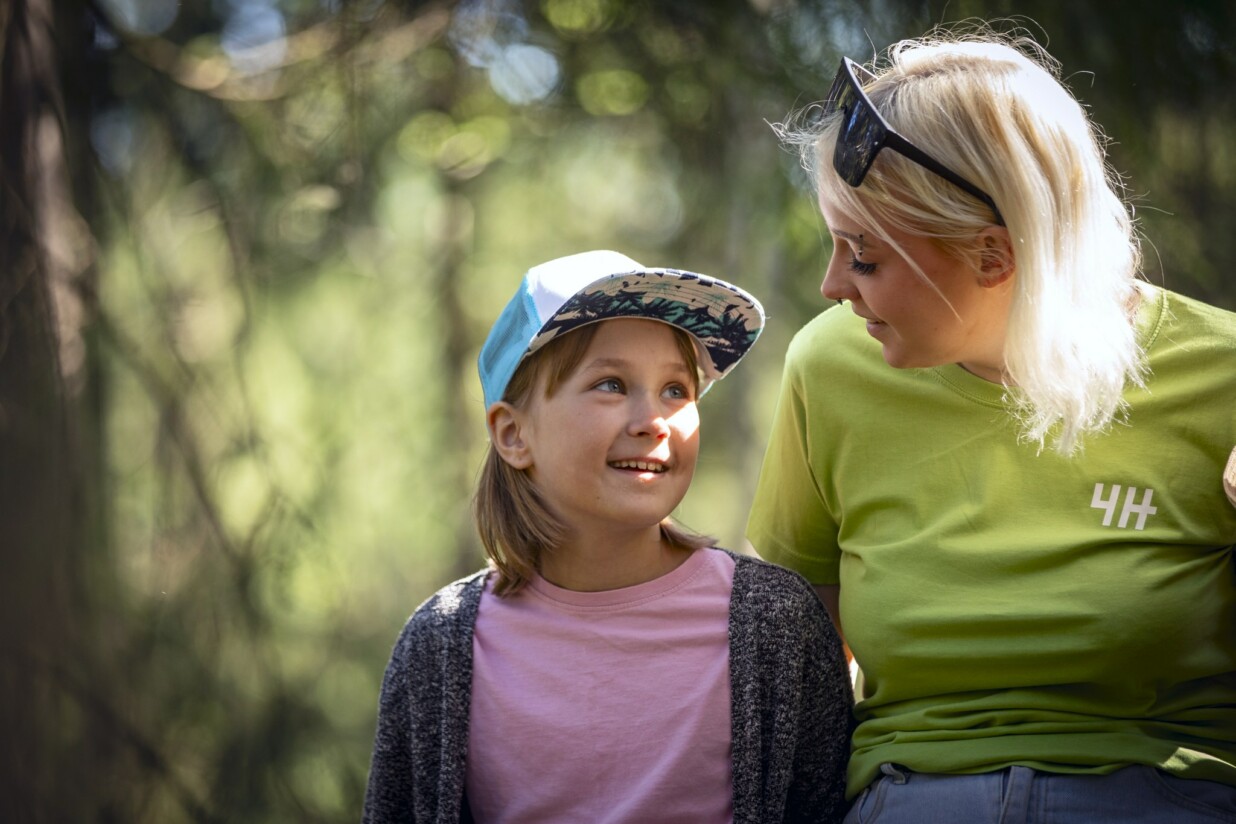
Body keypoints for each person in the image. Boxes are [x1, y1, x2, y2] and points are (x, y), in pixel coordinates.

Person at [746, 25, 1236, 824]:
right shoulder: (828, 368)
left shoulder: (1225, 374)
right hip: (907, 792)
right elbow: (799, 650)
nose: (833, 284)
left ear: (993, 255)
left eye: (864, 255)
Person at [363, 250, 854, 824]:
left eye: (677, 389)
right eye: (611, 384)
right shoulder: (438, 649)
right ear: (513, 434)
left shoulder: (777, 626)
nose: (654, 419)